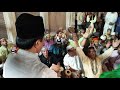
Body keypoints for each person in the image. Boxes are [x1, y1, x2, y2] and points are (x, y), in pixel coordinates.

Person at [3, 13, 59, 78]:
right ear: (37, 43)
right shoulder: (44, 72)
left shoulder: (9, 60)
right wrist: (54, 73)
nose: (43, 43)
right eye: (43, 39)